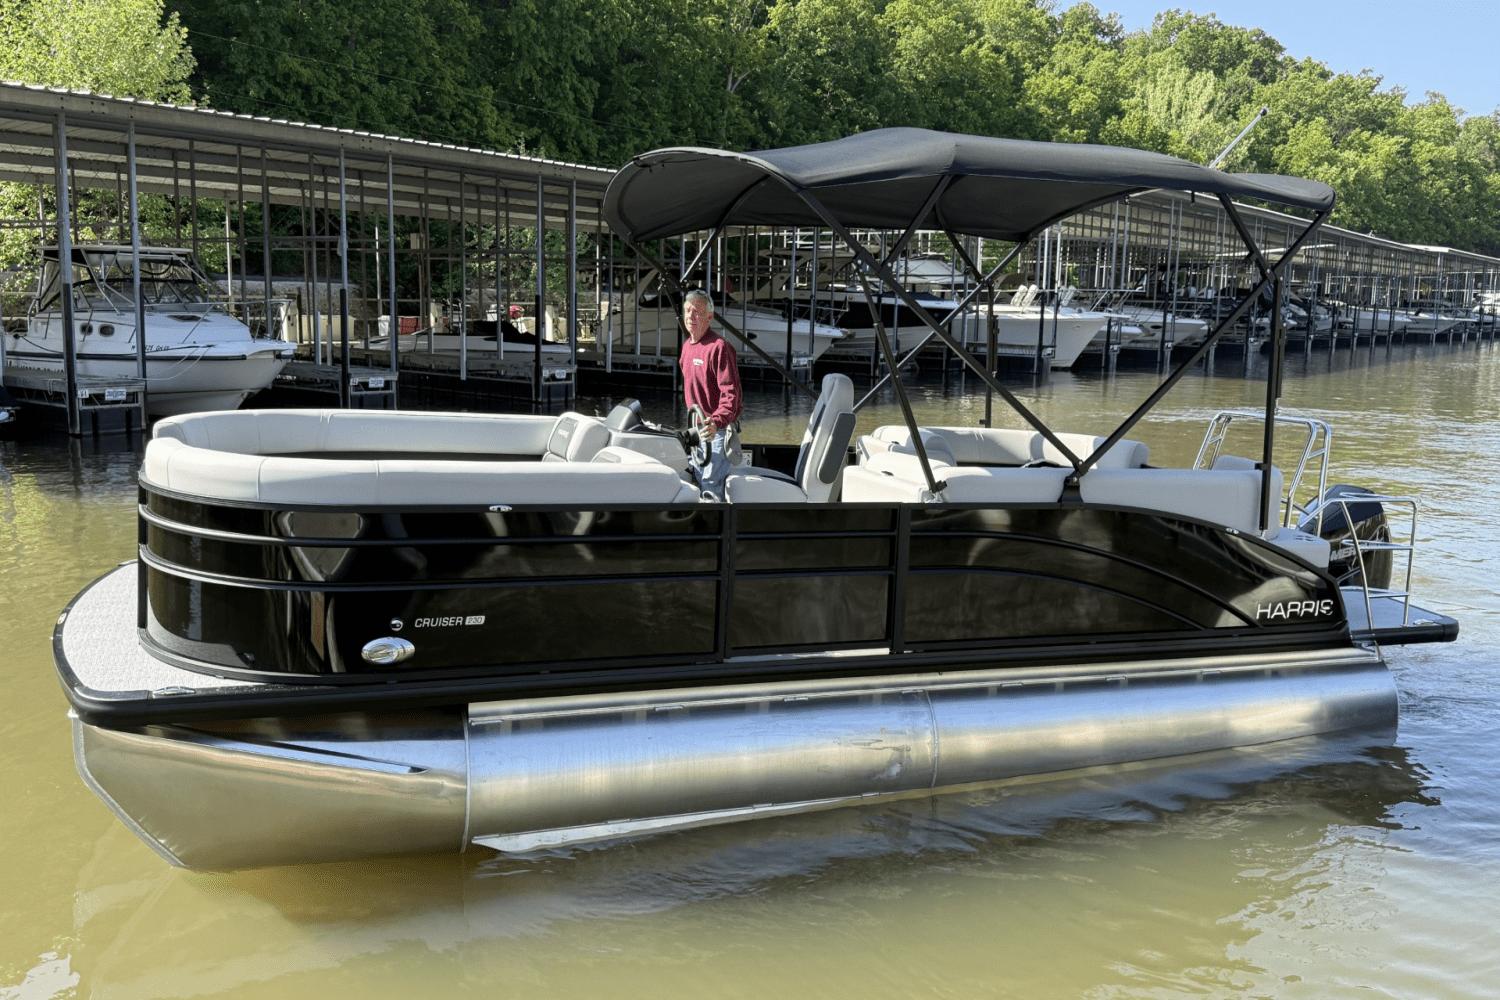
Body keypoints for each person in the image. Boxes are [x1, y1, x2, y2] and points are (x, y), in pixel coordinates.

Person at [678, 289, 742, 499]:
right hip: (696, 429)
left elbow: (731, 394)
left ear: (709, 317)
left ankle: (716, 519)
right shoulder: (686, 347)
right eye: (688, 310)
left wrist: (717, 421)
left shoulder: (719, 347)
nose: (691, 316)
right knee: (697, 480)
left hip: (716, 430)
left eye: (697, 311)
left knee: (710, 485)